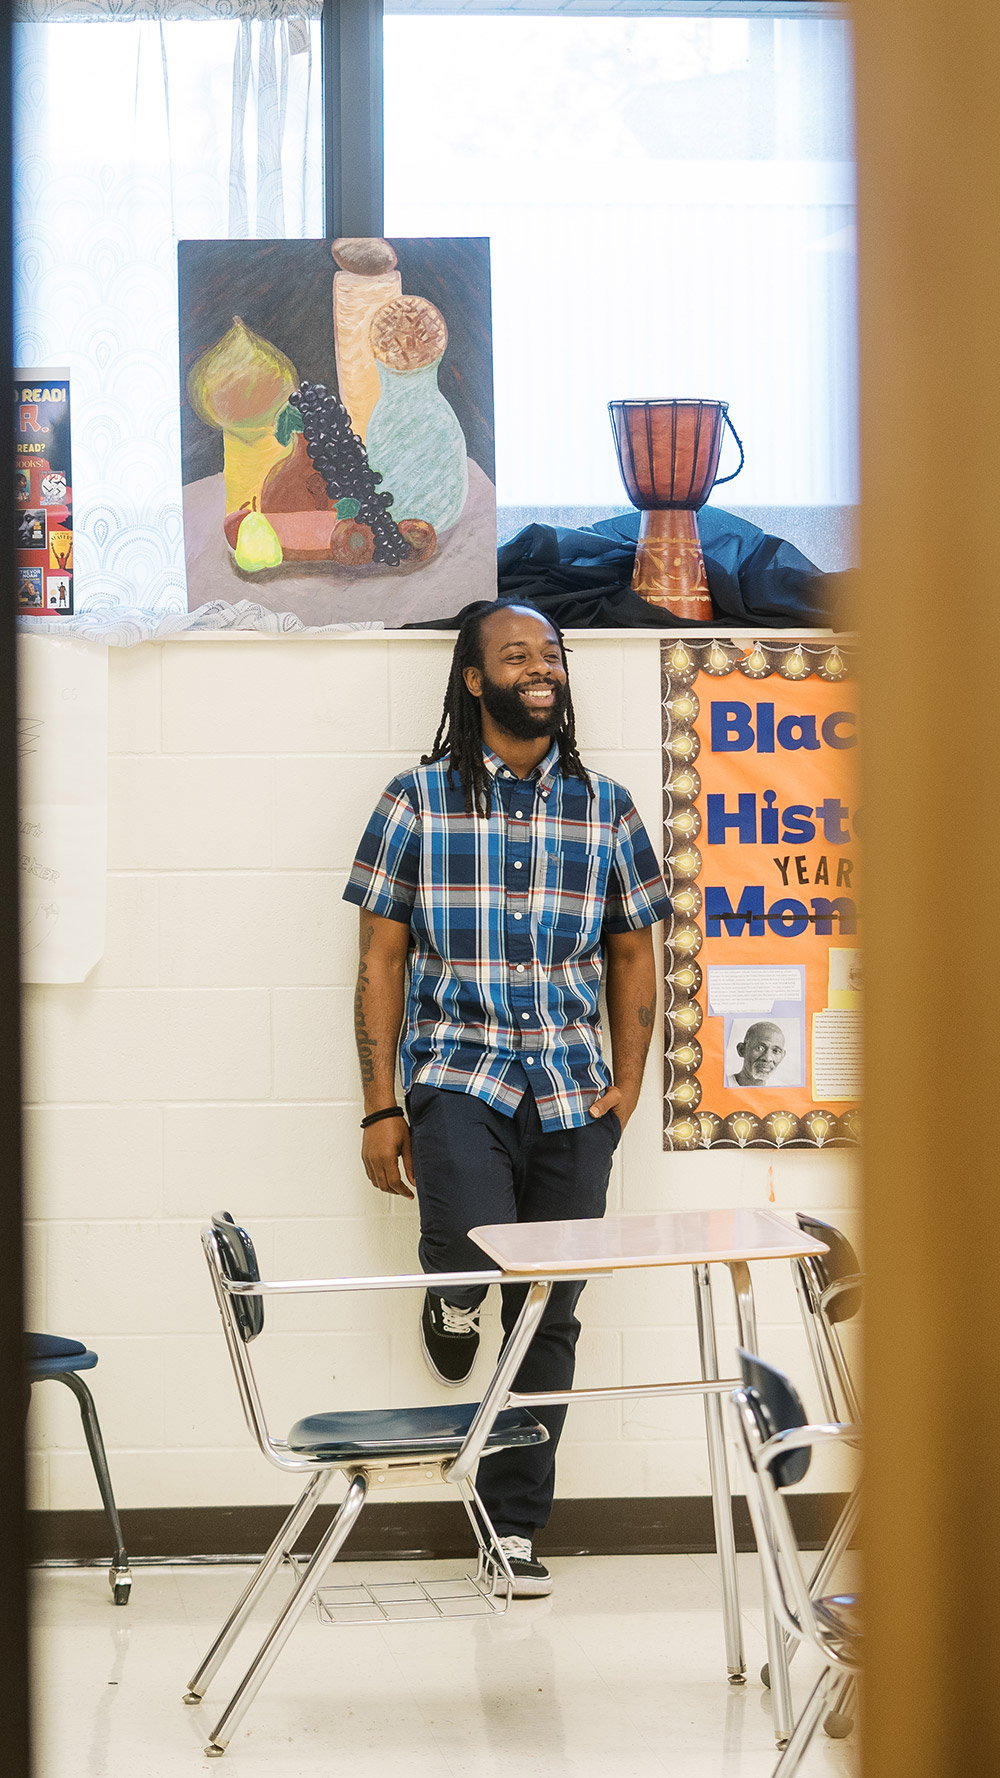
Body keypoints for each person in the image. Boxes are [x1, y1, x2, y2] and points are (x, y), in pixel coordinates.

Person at [343, 598, 671, 1597]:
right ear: (474, 679)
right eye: (516, 653)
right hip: (457, 1073)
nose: (541, 666)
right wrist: (378, 1104)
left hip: (575, 1093)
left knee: (548, 1312)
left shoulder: (606, 808)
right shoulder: (415, 802)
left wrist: (622, 1094)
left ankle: (513, 1523)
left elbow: (632, 955)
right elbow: (380, 958)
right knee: (467, 1243)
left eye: (551, 653)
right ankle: (449, 1293)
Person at [732, 1020, 786, 1088]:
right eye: (760, 1048)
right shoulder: (722, 1085)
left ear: (782, 1056)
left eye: (776, 1051)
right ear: (742, 1050)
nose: (767, 1058)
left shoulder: (782, 1089)